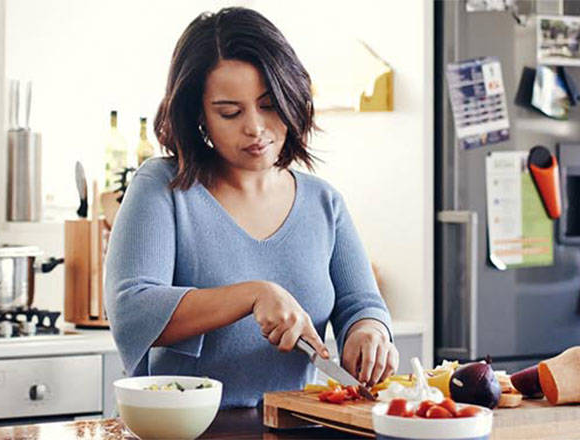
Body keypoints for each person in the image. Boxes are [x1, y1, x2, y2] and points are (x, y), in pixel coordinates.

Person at [104, 7, 397, 408]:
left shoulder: (323, 201)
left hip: (294, 428)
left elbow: (360, 304)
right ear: (199, 115)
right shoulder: (162, 188)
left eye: (269, 104)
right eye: (230, 112)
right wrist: (252, 295)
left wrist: (369, 332)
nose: (255, 128)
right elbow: (131, 311)